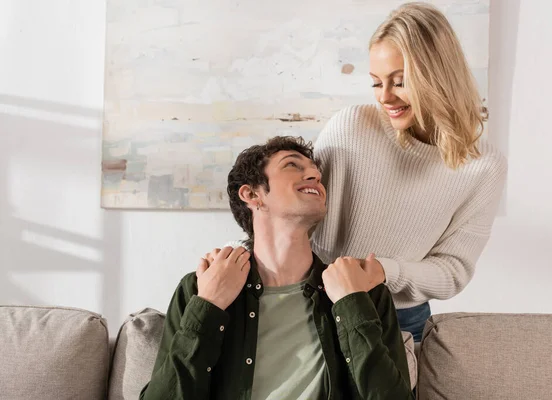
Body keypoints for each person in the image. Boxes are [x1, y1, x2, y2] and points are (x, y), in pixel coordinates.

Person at [140, 136, 414, 399]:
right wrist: (208, 305)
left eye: (316, 172)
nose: (315, 176)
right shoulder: (201, 286)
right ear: (252, 194)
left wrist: (352, 305)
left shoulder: (362, 290)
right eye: (293, 165)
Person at [311, 2, 508, 342]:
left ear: (437, 77)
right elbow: (291, 218)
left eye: (399, 82)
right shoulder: (351, 128)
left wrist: (386, 271)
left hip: (401, 320)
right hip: (316, 304)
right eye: (376, 83)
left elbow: (453, 271)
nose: (385, 97)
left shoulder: (484, 166)